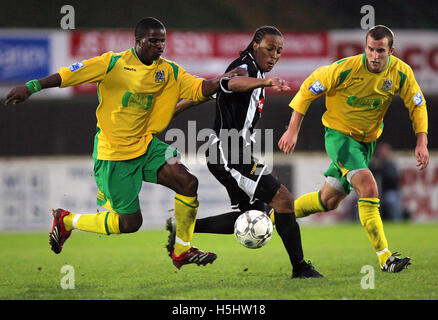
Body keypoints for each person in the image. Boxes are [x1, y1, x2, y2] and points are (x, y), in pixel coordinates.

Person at [4, 17, 245, 270]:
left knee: (187, 182)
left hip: (145, 145)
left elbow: (199, 87)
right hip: (114, 154)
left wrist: (224, 79)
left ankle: (182, 250)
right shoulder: (112, 63)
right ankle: (66, 220)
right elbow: (68, 75)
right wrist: (31, 87)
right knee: (130, 224)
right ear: (138, 41)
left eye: (162, 41)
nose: (159, 45)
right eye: (153, 40)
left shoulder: (169, 71)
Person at [167, 26, 323, 278]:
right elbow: (232, 82)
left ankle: (182, 228)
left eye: (279, 51)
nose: (274, 55)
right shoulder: (246, 68)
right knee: (283, 200)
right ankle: (300, 268)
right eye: (269, 48)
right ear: (255, 46)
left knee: (255, 213)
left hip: (232, 151)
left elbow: (209, 91)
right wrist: (267, 81)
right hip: (228, 152)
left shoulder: (254, 70)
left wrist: (172, 111)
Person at [278, 25, 429, 273]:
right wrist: (292, 129)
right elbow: (307, 89)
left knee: (328, 201)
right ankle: (385, 257)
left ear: (391, 51)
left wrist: (421, 141)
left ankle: (272, 217)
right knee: (368, 186)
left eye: (381, 50)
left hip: (366, 143)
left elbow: (417, 105)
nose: (374, 55)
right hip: (339, 137)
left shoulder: (401, 72)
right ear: (365, 48)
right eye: (370, 49)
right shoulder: (345, 69)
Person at [369, 142, 402, 221]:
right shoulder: (375, 164)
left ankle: (396, 222)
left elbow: (393, 177)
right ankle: (363, 223)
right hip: (376, 193)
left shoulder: (391, 165)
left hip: (389, 192)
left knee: (391, 200)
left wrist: (380, 168)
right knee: (362, 202)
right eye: (382, 151)